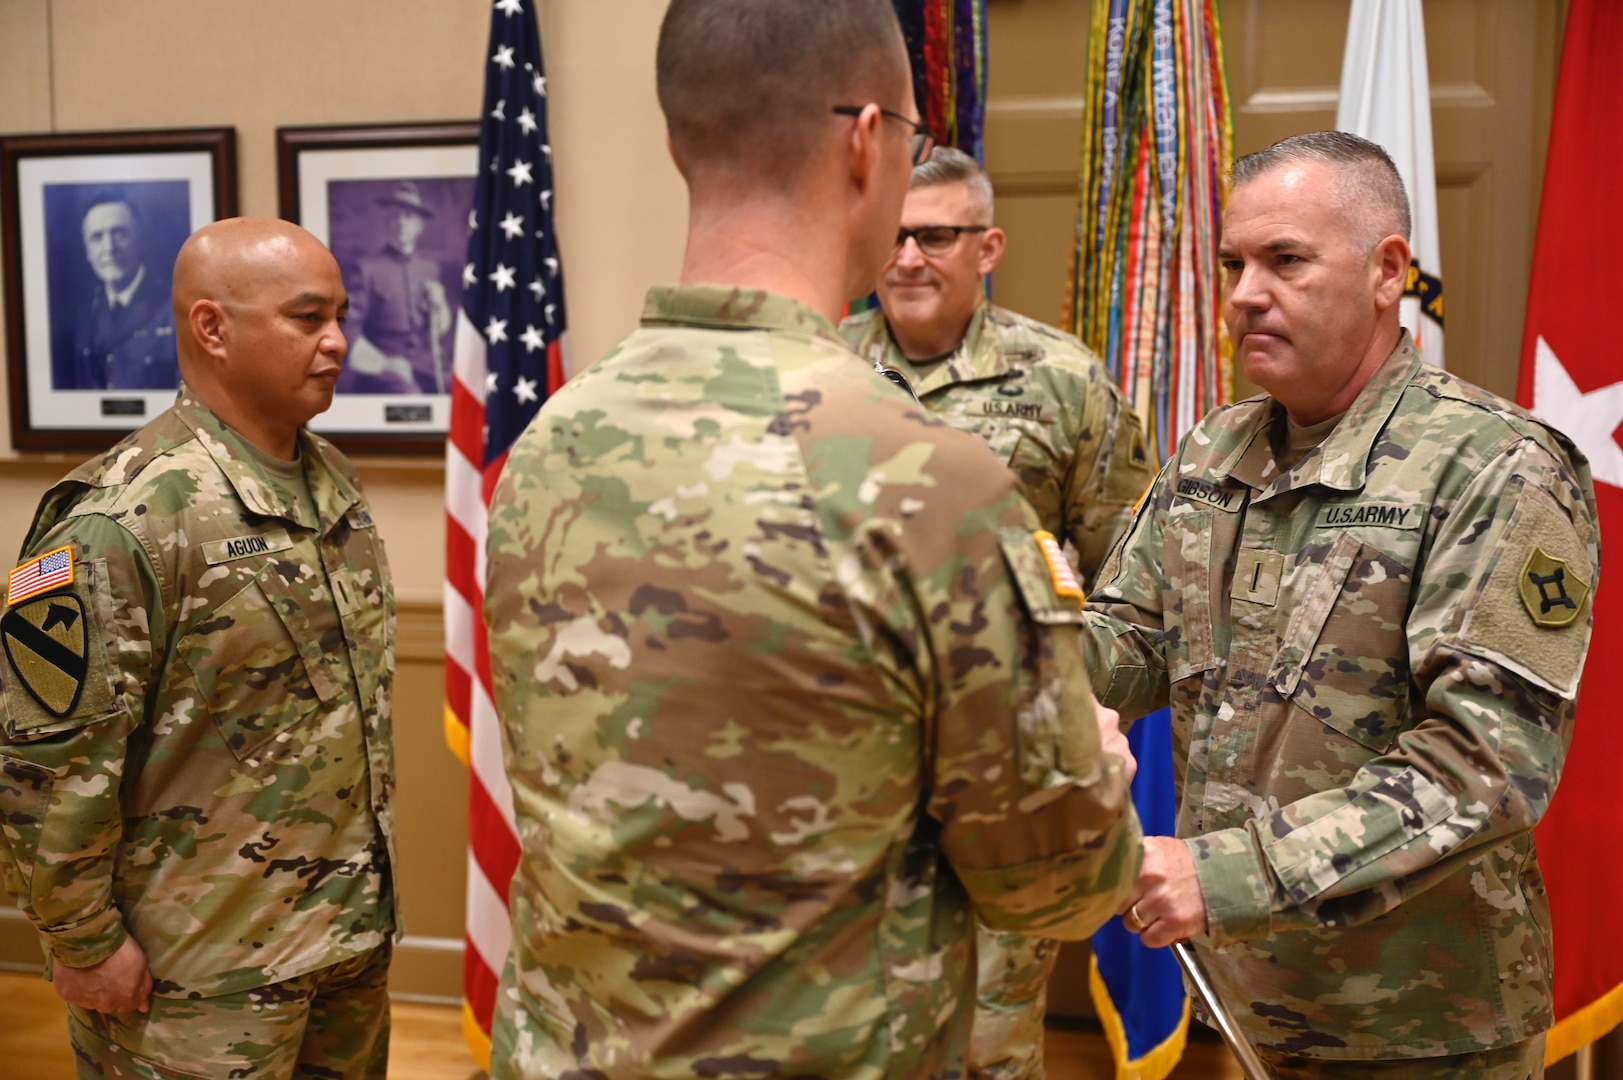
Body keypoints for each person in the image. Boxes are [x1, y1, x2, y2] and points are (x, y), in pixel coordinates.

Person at [481, 1, 1143, 1077]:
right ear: (867, 141)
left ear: (676, 141)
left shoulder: (554, 440)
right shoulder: (927, 475)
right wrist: (1095, 765)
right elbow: (1054, 888)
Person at [1087, 131, 1598, 1078]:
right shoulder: (1213, 454)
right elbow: (1127, 642)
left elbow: (1484, 764)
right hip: (1252, 996)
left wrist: (1222, 873)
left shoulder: (1493, 465)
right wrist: (1001, 646)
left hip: (1420, 1024)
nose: (1243, 294)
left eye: (1284, 260)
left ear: (1385, 271)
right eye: (1234, 263)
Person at [0, 217, 399, 1078]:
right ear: (212, 328)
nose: (336, 341)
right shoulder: (118, 519)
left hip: (345, 939)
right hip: (195, 978)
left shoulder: (331, 478)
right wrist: (81, 938)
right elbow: (45, 762)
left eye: (339, 314)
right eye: (306, 317)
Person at [842, 146, 1153, 1080]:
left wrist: (1076, 738)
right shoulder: (821, 366)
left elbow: (1130, 588)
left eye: (934, 236)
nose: (906, 258)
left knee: (990, 1040)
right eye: (893, 234)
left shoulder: (1064, 383)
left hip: (1005, 771)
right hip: (851, 770)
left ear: (987, 247)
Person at [336, 180, 453, 395]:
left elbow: (438, 332)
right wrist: (385, 364)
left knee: (458, 395)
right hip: (383, 366)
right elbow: (347, 328)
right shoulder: (366, 268)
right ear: (386, 222)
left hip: (424, 365)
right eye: (395, 216)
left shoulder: (429, 269)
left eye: (408, 217)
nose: (401, 223)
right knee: (411, 397)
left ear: (419, 225)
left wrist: (441, 304)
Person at [66, 191, 178, 390]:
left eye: (119, 233)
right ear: (87, 251)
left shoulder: (172, 310)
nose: (109, 248)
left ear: (140, 240)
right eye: (97, 237)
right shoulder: (84, 315)